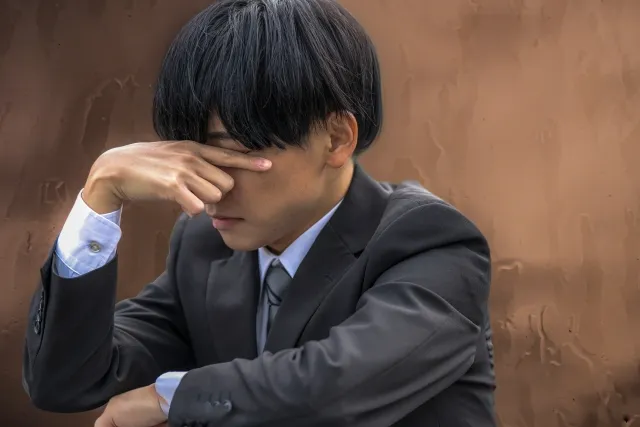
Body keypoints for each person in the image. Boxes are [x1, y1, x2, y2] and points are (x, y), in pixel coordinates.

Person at [22, 0, 496, 426]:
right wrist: (100, 194)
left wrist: (170, 398)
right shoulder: (205, 246)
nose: (209, 188)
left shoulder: (428, 242)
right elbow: (67, 381)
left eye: (233, 153)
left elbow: (337, 389)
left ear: (336, 138)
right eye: (191, 157)